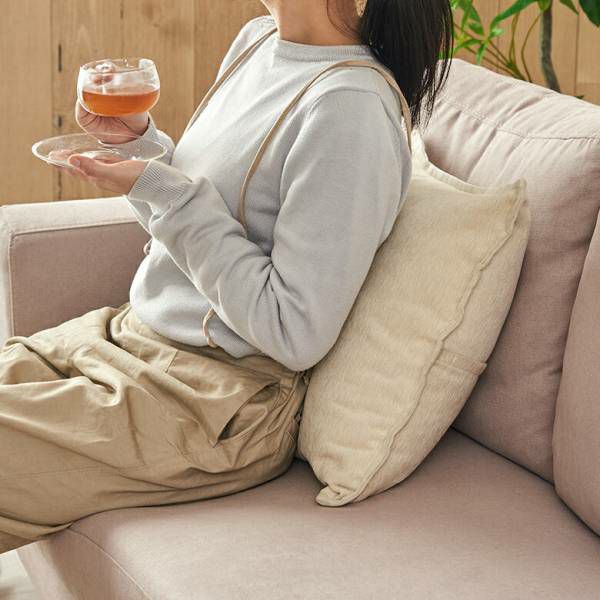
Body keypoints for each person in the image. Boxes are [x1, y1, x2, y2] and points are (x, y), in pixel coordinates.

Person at [0, 0, 453, 554]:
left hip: (215, 401)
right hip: (128, 338)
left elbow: (294, 331)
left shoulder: (349, 108)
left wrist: (168, 192)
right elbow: (204, 220)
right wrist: (135, 148)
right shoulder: (258, 42)